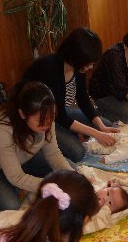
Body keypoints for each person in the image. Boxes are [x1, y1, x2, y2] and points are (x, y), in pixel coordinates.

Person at [0, 81, 75, 211]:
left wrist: (74, 178)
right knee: (9, 204)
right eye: (40, 121)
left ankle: (8, 180)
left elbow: (53, 153)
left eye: (51, 117)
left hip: (19, 157)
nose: (47, 124)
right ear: (22, 114)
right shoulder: (1, 130)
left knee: (69, 172)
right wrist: (46, 185)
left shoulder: (45, 115)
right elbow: (16, 177)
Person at [22, 27, 119, 162]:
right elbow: (60, 116)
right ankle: (50, 141)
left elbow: (83, 99)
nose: (91, 67)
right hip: (43, 117)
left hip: (61, 112)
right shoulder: (51, 68)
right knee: (77, 152)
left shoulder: (77, 68)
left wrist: (101, 127)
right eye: (89, 63)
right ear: (76, 56)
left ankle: (74, 132)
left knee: (106, 124)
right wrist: (96, 133)